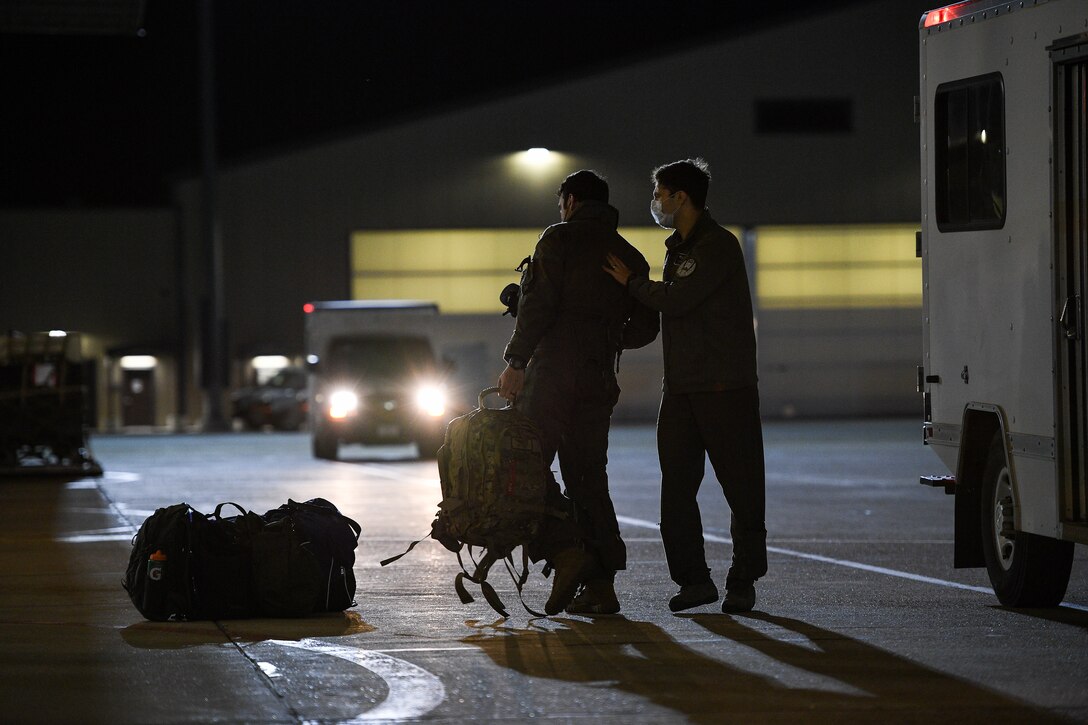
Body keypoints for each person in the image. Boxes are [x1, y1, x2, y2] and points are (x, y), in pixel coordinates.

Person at [603, 158, 767, 614]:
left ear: (681, 197)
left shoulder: (717, 246)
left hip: (724, 387)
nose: (655, 202)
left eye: (659, 193)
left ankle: (743, 580)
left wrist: (633, 284)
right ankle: (694, 581)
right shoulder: (677, 249)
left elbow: (678, 300)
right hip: (681, 389)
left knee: (742, 488)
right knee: (676, 491)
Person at [498, 169, 659, 615]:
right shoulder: (628, 254)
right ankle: (601, 586)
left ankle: (567, 554)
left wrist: (515, 362)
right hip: (597, 380)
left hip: (550, 379)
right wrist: (605, 340)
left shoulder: (559, 238)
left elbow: (538, 306)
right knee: (588, 478)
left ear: (569, 201)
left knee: (523, 472)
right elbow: (647, 324)